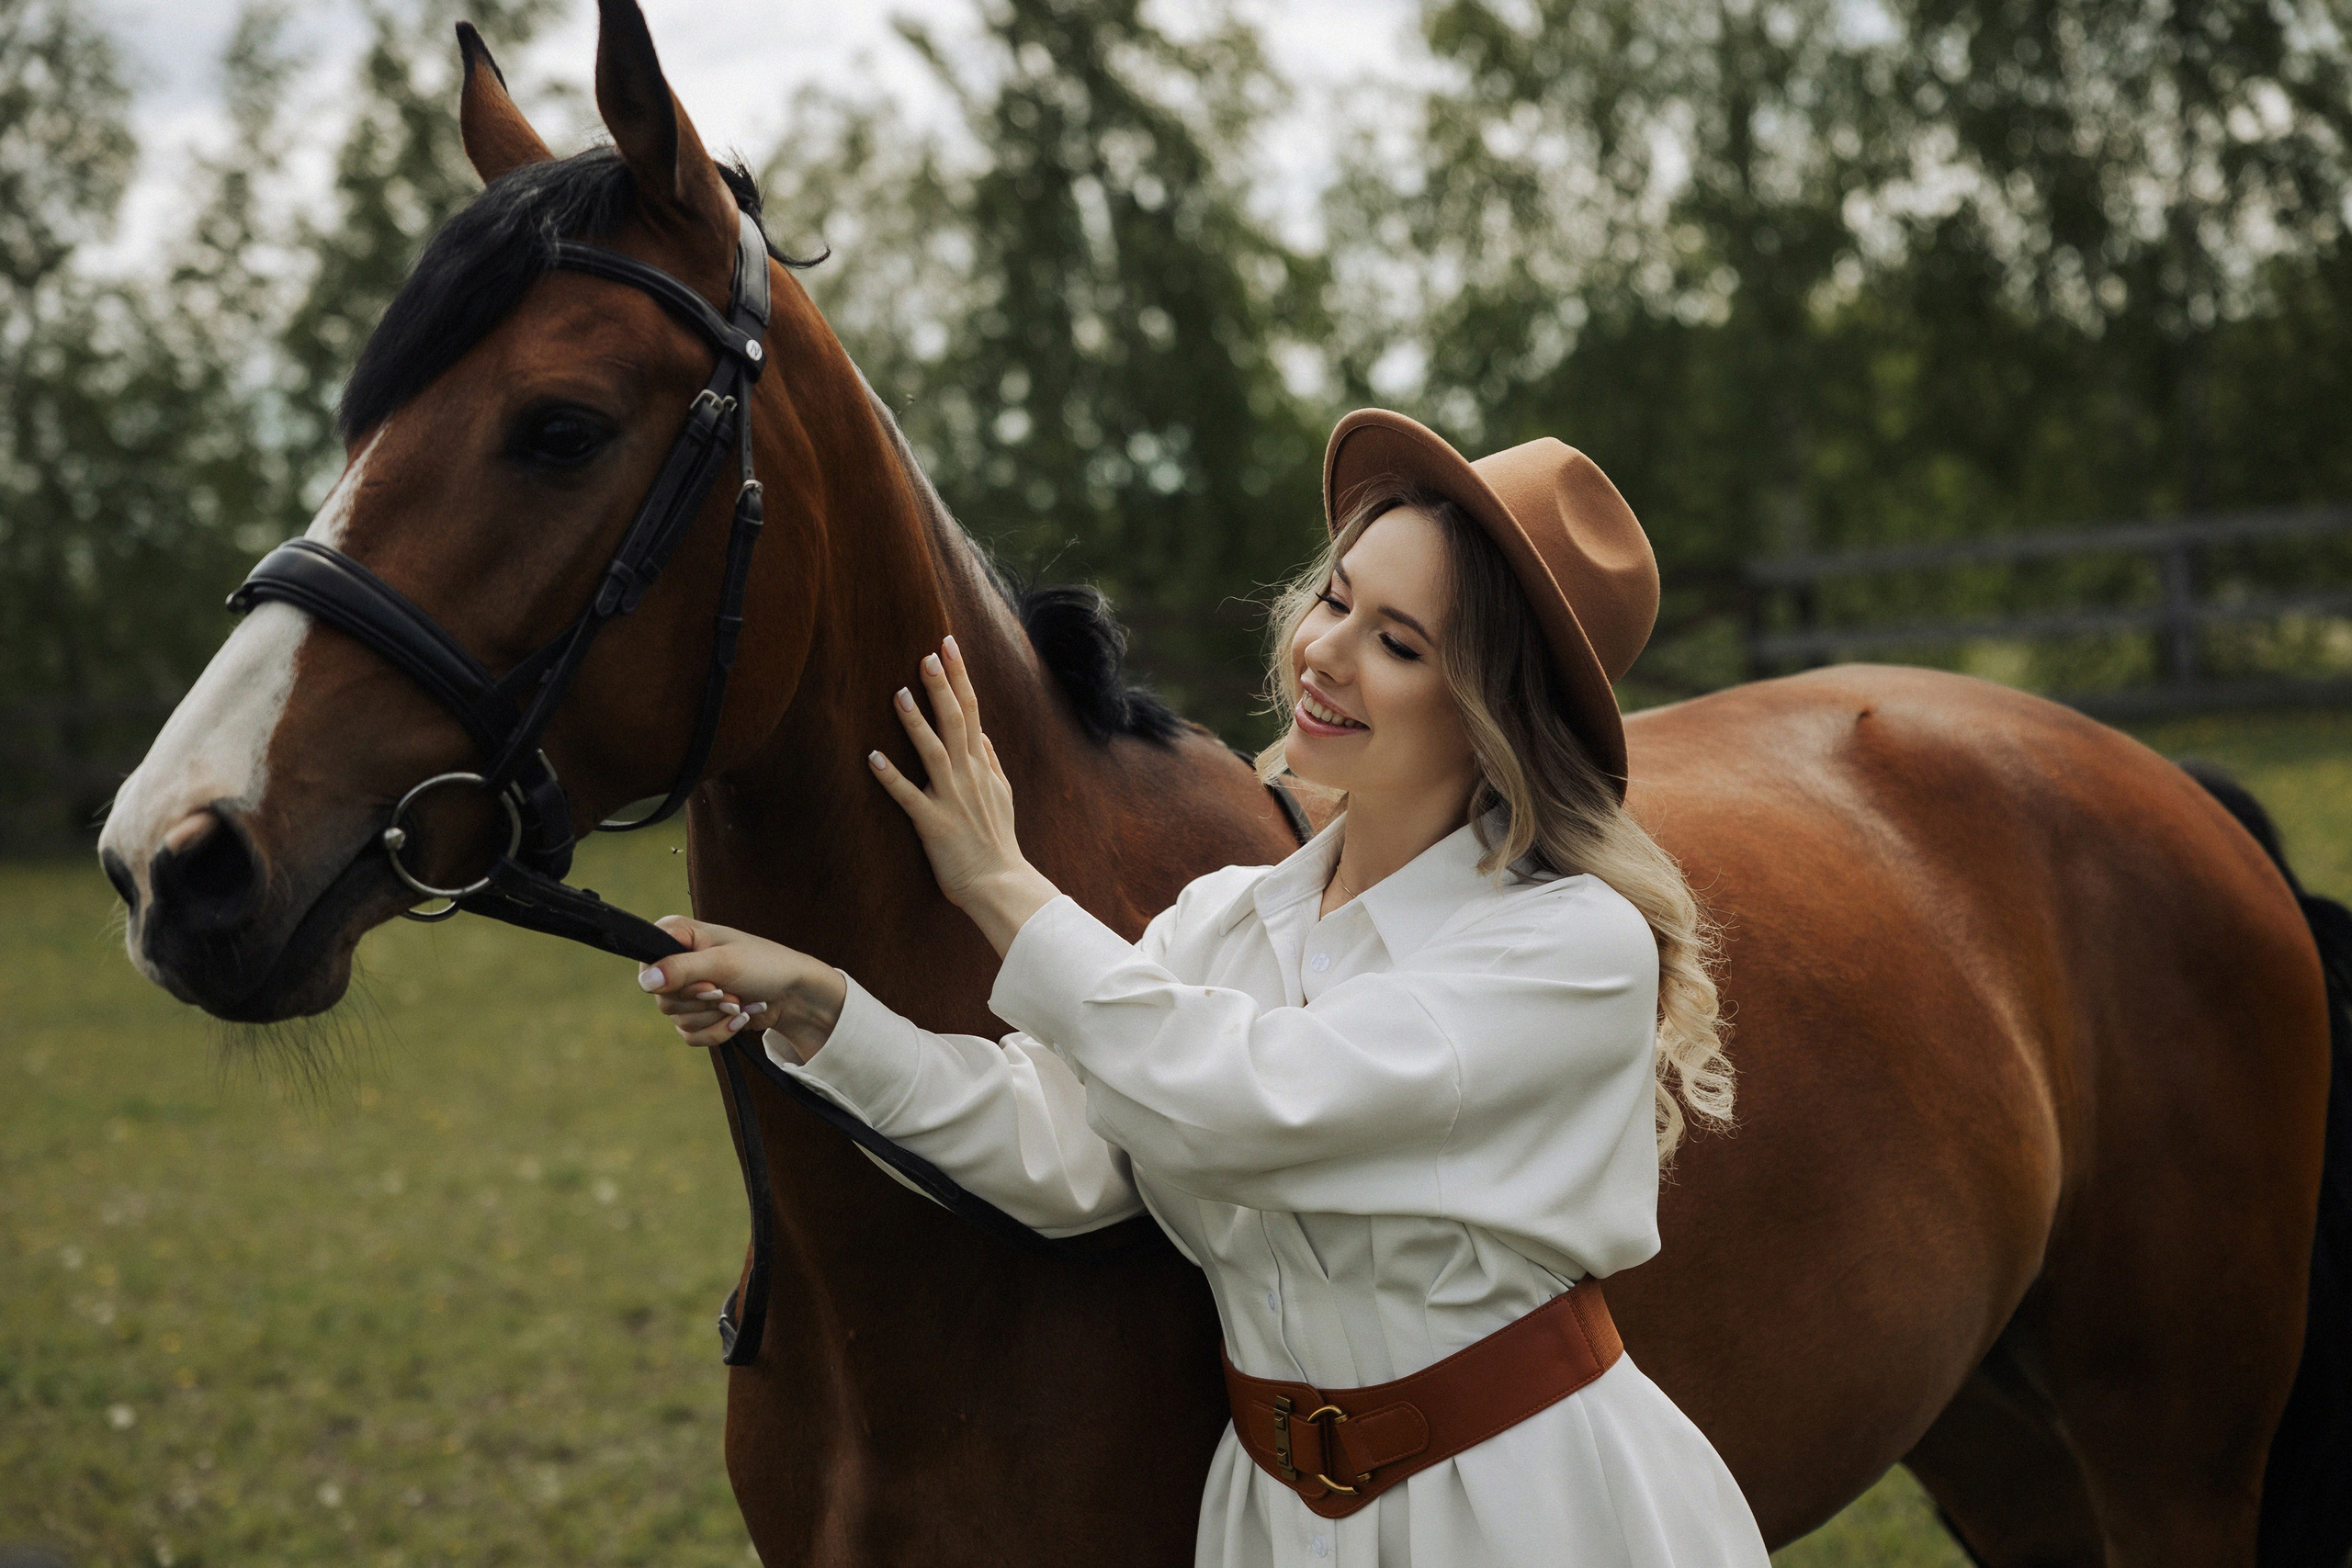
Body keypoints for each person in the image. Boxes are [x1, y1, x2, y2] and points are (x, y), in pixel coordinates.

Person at [633, 408, 1769, 1567]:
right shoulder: (1227, 918)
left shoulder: (1568, 946)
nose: (1326, 653)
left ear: (1497, 719)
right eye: (1335, 600)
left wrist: (997, 883)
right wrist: (825, 1007)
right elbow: (1072, 1151)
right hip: (1272, 1519)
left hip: (1524, 1510)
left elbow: (1248, 1104)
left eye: (1402, 643)